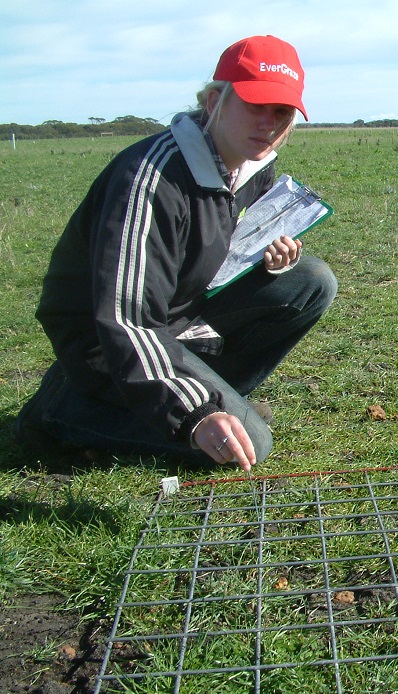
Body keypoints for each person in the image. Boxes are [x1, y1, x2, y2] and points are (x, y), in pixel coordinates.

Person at [15, 35, 337, 471]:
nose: (267, 123)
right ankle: (59, 412)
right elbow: (125, 316)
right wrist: (195, 414)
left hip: (177, 315)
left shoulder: (252, 164)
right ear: (212, 102)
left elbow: (211, 250)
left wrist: (271, 260)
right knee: (252, 447)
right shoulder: (152, 180)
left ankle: (220, 400)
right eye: (254, 105)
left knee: (311, 281)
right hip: (105, 343)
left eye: (280, 112)